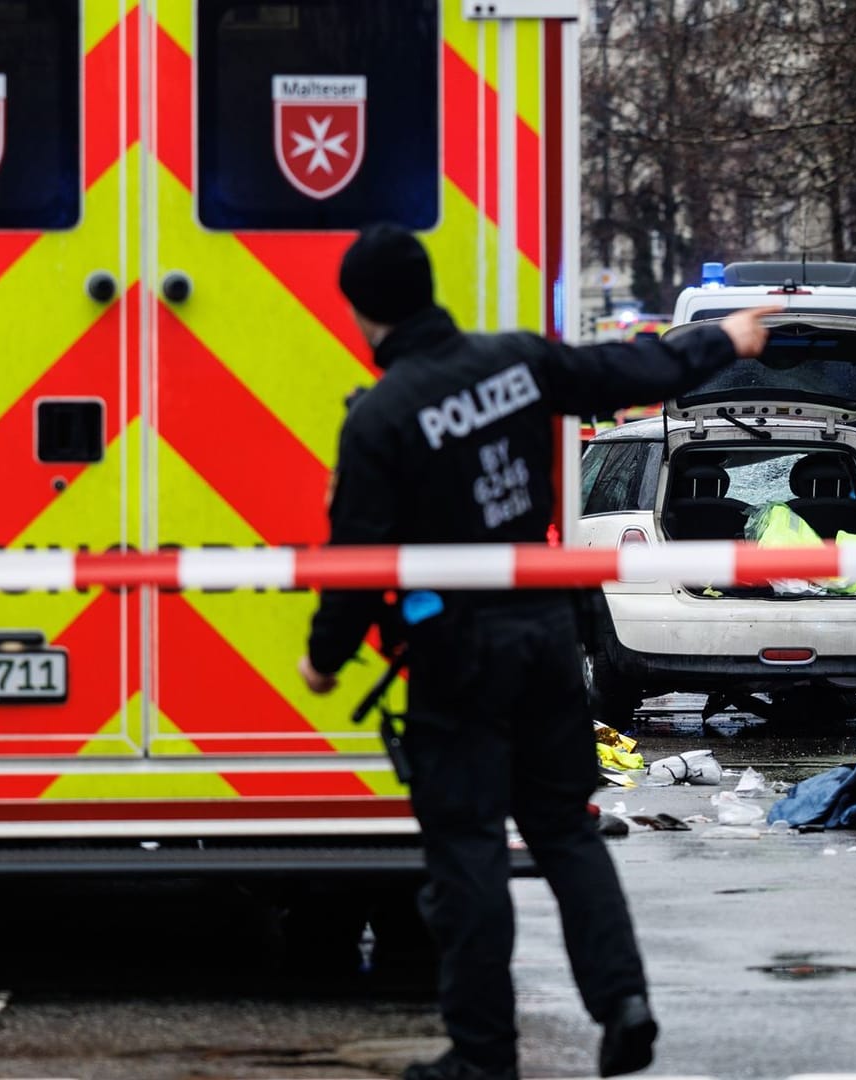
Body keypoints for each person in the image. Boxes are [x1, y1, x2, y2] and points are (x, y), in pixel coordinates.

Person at [298, 223, 779, 1080]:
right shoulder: (514, 362)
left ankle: (483, 1056)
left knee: (469, 848)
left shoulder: (381, 416)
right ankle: (622, 1002)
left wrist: (325, 657)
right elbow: (626, 370)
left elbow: (356, 557)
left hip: (457, 656)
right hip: (547, 640)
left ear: (362, 314)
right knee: (565, 833)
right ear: (427, 288)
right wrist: (724, 337)